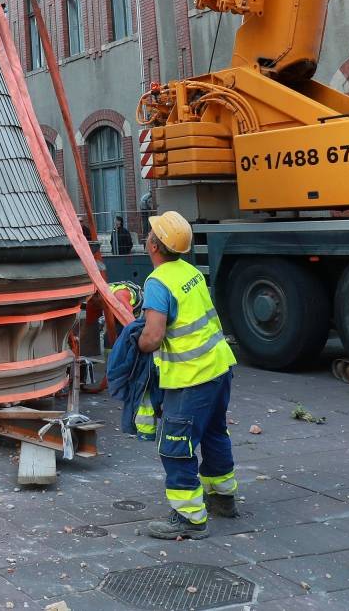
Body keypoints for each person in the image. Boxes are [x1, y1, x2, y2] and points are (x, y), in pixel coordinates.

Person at [136, 211, 238, 539]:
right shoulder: (190, 271)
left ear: (154, 245)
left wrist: (131, 347)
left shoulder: (158, 282)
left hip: (190, 378)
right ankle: (222, 498)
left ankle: (189, 517)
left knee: (176, 446)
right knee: (214, 434)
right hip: (218, 368)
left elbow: (152, 337)